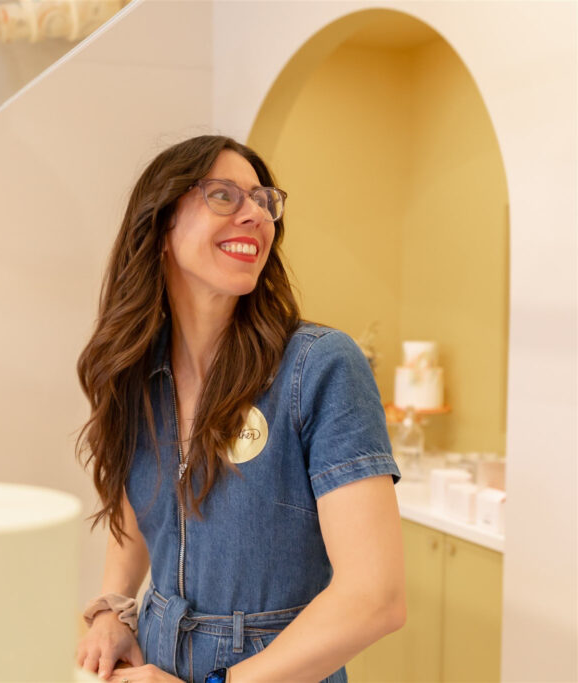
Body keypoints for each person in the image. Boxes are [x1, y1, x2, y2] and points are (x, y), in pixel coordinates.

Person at [75, 135, 405, 683]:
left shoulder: (320, 368)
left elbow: (376, 597)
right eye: (224, 196)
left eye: (263, 200)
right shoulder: (136, 368)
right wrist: (114, 606)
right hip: (153, 662)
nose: (255, 215)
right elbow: (141, 502)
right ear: (160, 227)